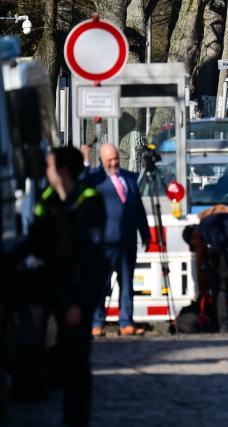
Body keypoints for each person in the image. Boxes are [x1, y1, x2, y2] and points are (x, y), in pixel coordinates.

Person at [9, 146, 108, 427]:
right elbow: (34, 241)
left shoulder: (90, 202)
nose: (46, 170)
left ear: (63, 170)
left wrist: (79, 303)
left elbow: (91, 262)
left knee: (76, 363)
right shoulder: (48, 199)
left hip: (76, 290)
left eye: (50, 165)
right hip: (50, 282)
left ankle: (75, 420)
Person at [81, 144, 150, 337]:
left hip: (128, 241)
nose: (114, 163)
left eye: (116, 158)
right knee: (101, 285)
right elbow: (81, 183)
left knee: (127, 284)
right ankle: (97, 323)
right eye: (109, 160)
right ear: (102, 160)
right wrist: (85, 161)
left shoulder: (129, 177)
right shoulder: (96, 178)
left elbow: (138, 209)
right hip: (105, 243)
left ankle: (126, 322)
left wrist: (145, 234)